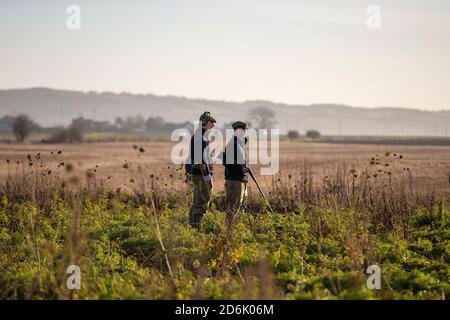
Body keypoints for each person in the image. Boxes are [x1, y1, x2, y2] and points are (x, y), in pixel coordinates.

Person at [186, 111, 216, 229]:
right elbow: (199, 160)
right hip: (201, 174)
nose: (213, 125)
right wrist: (207, 176)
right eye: (211, 123)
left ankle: (191, 226)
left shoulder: (201, 136)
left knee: (197, 201)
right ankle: (196, 227)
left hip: (200, 174)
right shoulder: (199, 137)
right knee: (202, 202)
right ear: (204, 123)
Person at [223, 121, 249, 224]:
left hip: (241, 179)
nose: (244, 132)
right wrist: (240, 169)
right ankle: (228, 230)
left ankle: (235, 228)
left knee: (240, 205)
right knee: (233, 206)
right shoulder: (232, 144)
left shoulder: (239, 143)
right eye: (242, 130)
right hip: (234, 180)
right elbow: (226, 162)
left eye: (245, 130)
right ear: (236, 131)